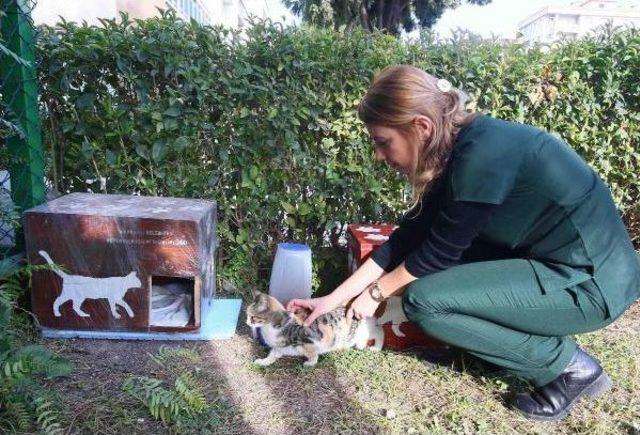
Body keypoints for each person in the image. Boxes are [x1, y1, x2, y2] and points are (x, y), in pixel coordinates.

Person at [286, 64, 640, 421]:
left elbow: (439, 253)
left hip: (592, 284)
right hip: (554, 264)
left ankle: (568, 368)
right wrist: (333, 299)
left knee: (426, 301)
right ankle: (485, 351)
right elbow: (409, 237)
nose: (379, 155)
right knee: (434, 275)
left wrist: (375, 294)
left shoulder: (482, 156)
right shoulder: (459, 146)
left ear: (420, 128)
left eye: (383, 141)